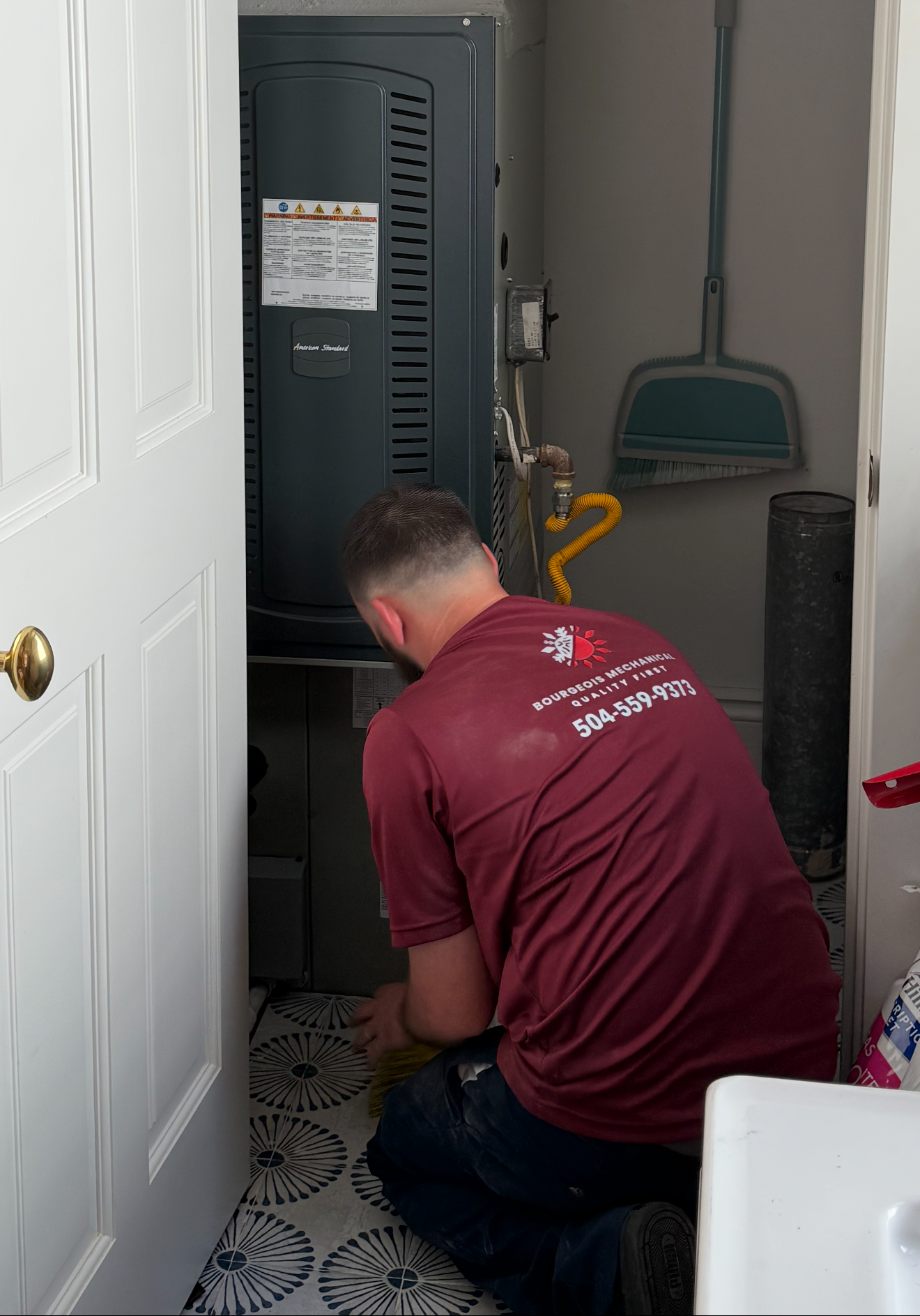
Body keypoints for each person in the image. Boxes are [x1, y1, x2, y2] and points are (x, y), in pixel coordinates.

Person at [342, 483, 840, 1316]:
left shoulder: (409, 733)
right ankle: (705, 1205)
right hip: (798, 1069)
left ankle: (606, 1264)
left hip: (621, 1111)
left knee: (406, 1149)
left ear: (387, 621)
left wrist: (404, 1011)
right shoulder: (629, 639)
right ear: (489, 563)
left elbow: (458, 1014)